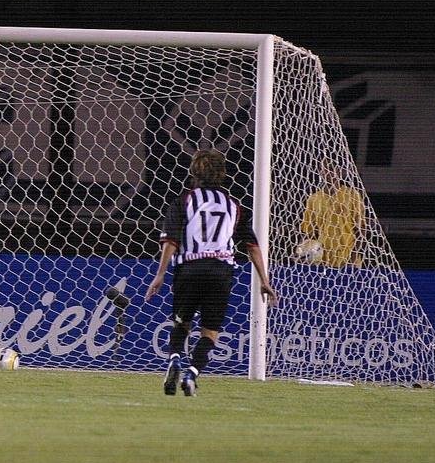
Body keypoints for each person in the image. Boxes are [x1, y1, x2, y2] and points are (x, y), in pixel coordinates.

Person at [145, 149, 278, 397]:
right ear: (223, 174)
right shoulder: (234, 207)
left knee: (182, 323)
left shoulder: (183, 201)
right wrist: (264, 280)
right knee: (210, 332)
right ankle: (192, 373)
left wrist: (160, 274)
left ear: (193, 172)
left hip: (190, 269)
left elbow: (171, 241)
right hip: (220, 271)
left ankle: (175, 359)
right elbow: (252, 246)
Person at [300, 160, 364, 268]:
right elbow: (309, 232)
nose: (327, 172)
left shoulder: (352, 195)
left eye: (331, 169)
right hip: (322, 260)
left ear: (339, 172)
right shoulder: (313, 199)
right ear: (320, 172)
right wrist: (302, 253)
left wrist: (353, 257)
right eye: (324, 169)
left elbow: (361, 230)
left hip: (348, 260)